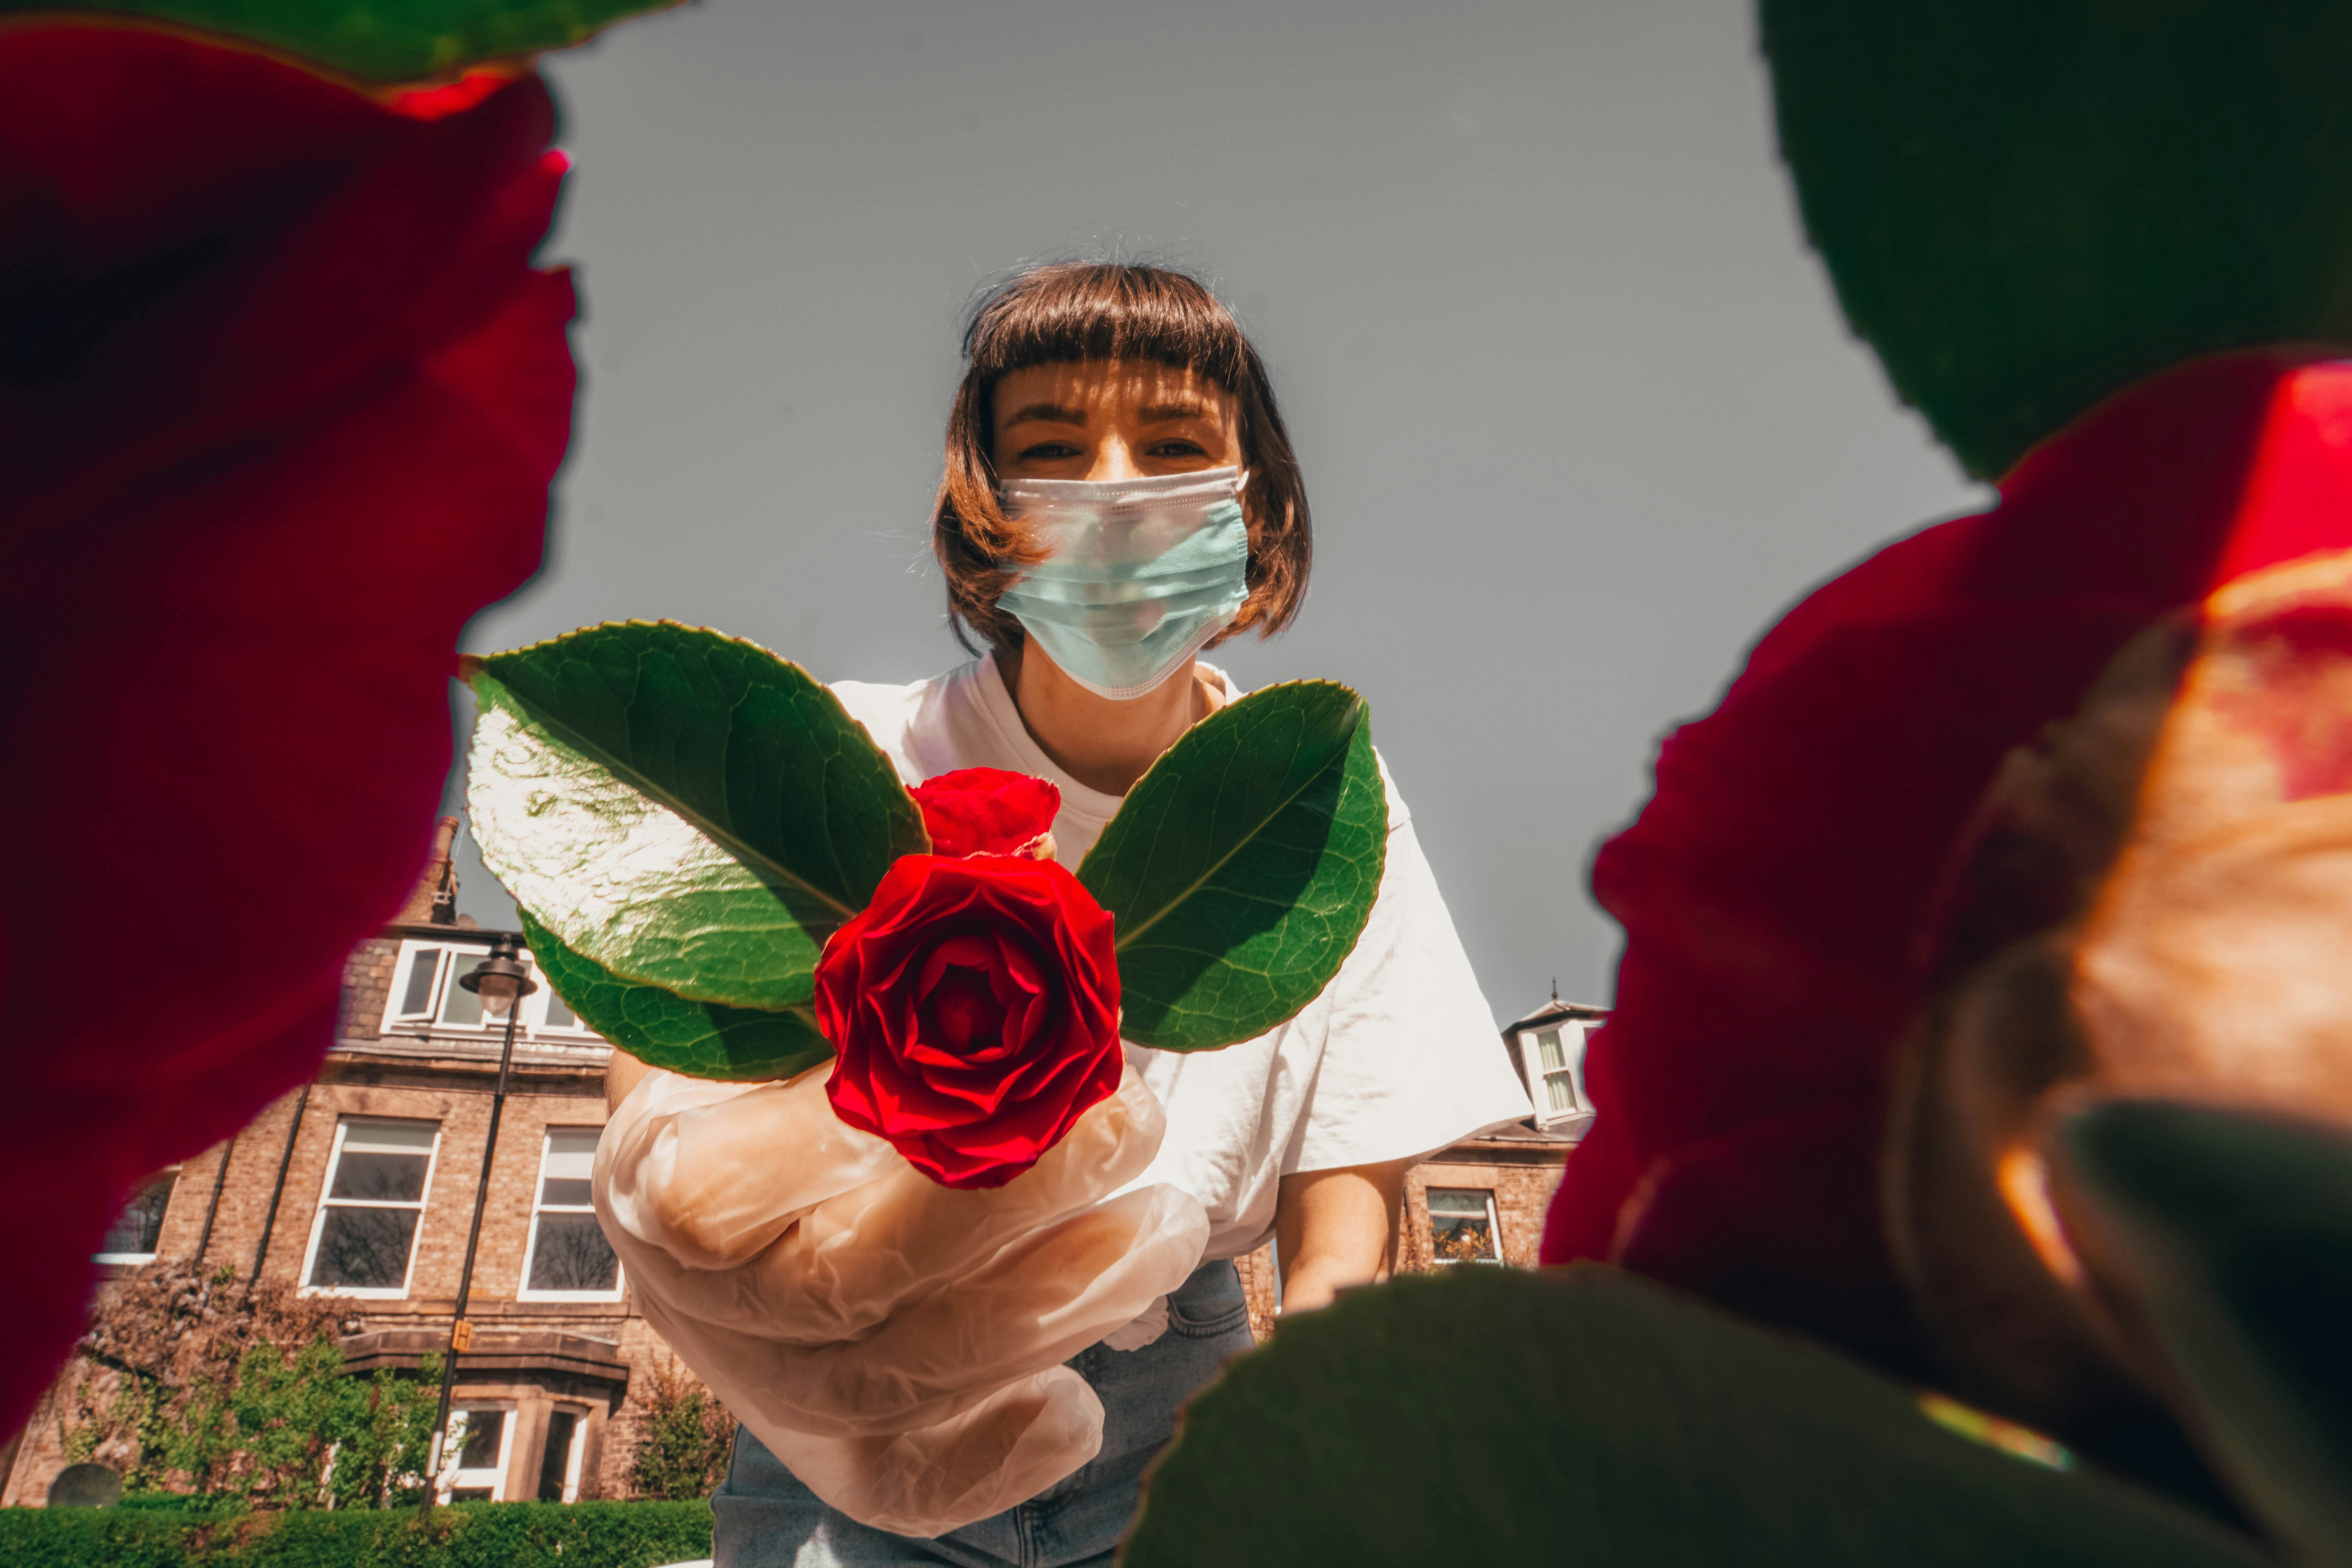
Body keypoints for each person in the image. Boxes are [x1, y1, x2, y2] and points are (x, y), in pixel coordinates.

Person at [603, 261, 1534, 1567]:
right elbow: (667, 1070)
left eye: (1174, 446)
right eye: (1051, 448)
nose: (1113, 487)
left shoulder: (1311, 801)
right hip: (848, 1413)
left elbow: (1353, 1193)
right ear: (984, 509)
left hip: (1180, 1413)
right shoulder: (843, 759)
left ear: (1256, 496)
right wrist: (689, 1230)